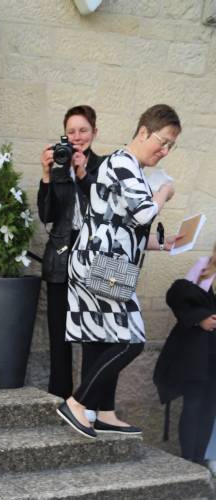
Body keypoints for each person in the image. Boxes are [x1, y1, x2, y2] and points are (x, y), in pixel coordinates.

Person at [57, 103, 181, 439]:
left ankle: (105, 413)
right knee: (131, 340)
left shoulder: (125, 165)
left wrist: (159, 243)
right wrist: (164, 191)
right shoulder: (125, 161)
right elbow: (142, 214)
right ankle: (78, 404)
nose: (165, 150)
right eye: (163, 141)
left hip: (101, 261)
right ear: (143, 131)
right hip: (103, 265)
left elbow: (121, 223)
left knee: (104, 337)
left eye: (172, 145)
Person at [38, 105, 103, 399]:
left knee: (94, 336)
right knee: (59, 335)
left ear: (94, 132)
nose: (77, 137)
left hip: (94, 259)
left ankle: (88, 400)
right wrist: (47, 174)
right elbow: (47, 214)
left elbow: (106, 209)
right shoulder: (59, 165)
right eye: (71, 132)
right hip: (62, 259)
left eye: (83, 130)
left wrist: (83, 173)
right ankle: (60, 397)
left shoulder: (106, 167)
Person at [154, 242, 216, 463]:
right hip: (197, 354)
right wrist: (200, 318)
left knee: (209, 409)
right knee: (194, 405)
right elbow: (178, 298)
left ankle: (199, 460)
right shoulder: (204, 269)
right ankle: (189, 460)